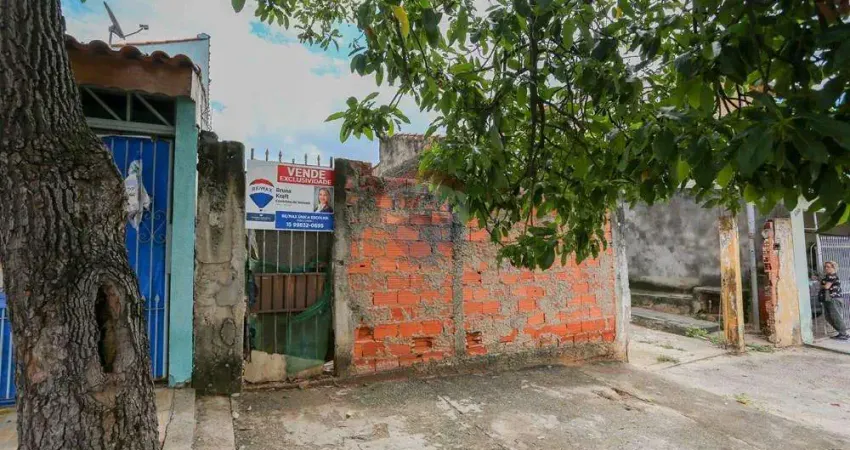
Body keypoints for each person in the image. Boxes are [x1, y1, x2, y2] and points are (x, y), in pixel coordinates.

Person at [819, 261, 849, 340]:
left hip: (834, 298)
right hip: (829, 299)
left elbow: (826, 287)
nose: (826, 268)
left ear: (833, 268)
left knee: (835, 316)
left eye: (828, 267)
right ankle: (841, 332)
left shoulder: (832, 276)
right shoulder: (827, 276)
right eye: (825, 267)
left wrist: (821, 285)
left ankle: (843, 334)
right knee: (828, 317)